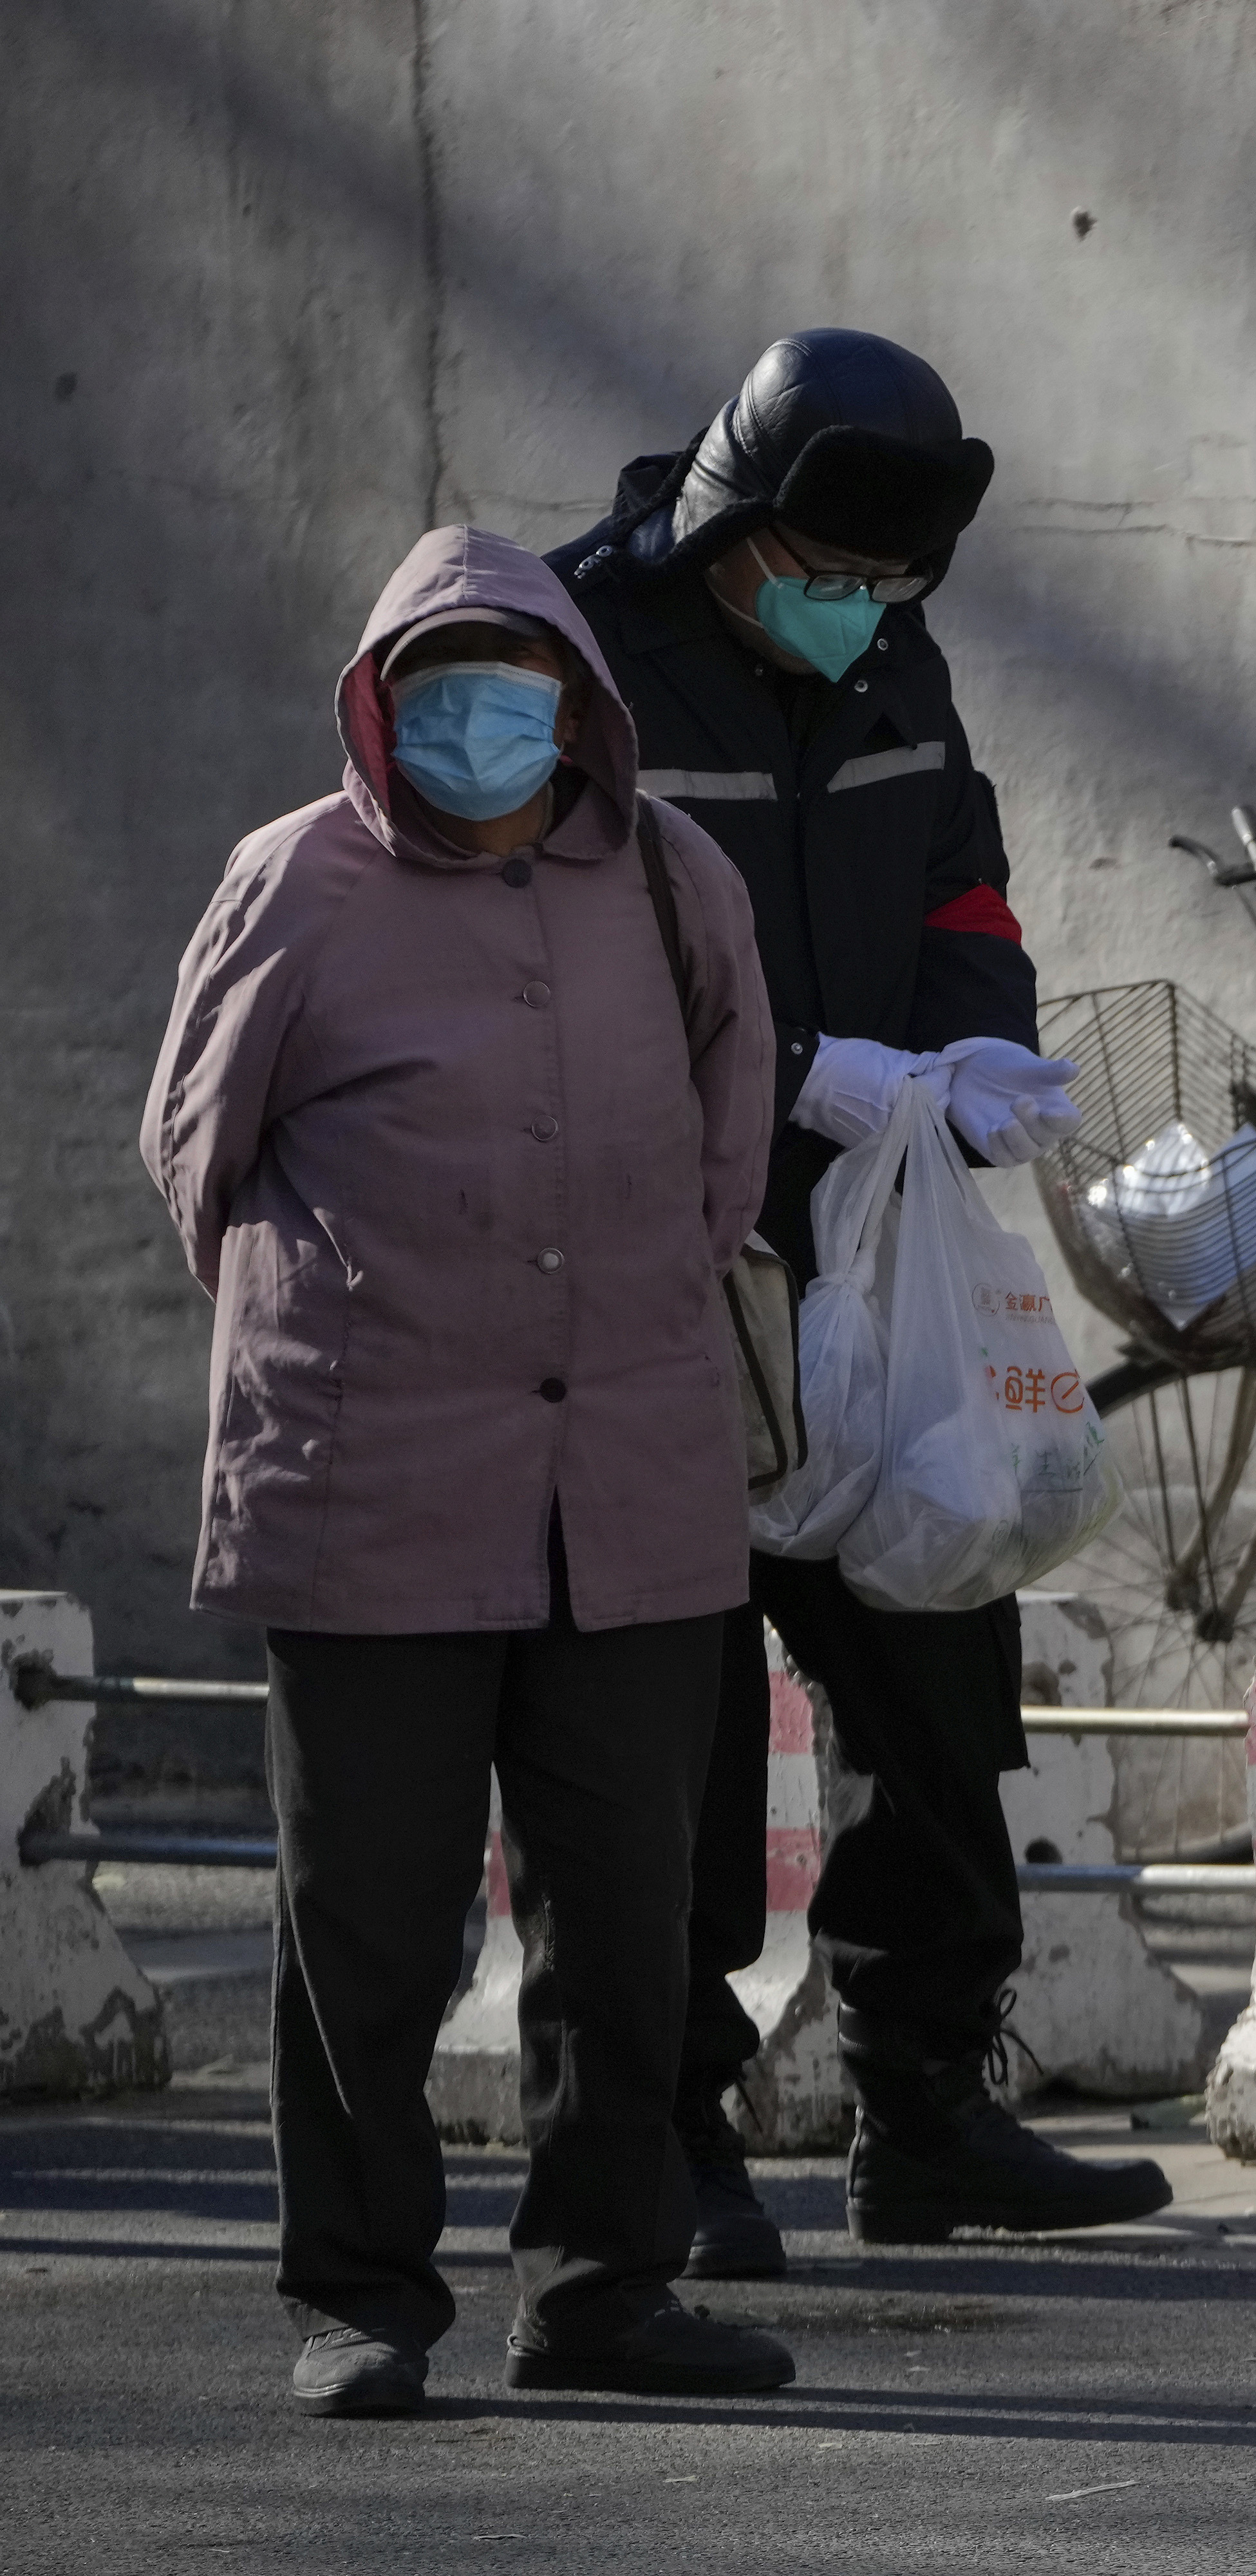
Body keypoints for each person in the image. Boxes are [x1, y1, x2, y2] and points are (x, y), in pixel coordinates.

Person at [142, 526, 797, 2415]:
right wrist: (364, 1312)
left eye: (518, 683)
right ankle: (360, 2294)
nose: (481, 720)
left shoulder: (668, 876)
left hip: (635, 1477)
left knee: (626, 1913)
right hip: (370, 1484)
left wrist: (624, 1307)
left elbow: (727, 1134)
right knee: (369, 1916)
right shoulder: (297, 880)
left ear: (581, 704)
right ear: (377, 702)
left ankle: (604, 2284)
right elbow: (199, 1150)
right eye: (440, 684)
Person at [549, 330, 1163, 2266]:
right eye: (829, 573)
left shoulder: (893, 650)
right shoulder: (582, 656)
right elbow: (567, 955)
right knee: (672, 1722)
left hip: (880, 1254)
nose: (858, 612)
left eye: (890, 584)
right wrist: (801, 1062)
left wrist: (977, 1057)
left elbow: (963, 884)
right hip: (671, 1264)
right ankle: (676, 2133)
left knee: (934, 1664)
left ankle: (925, 2102)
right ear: (737, 524)